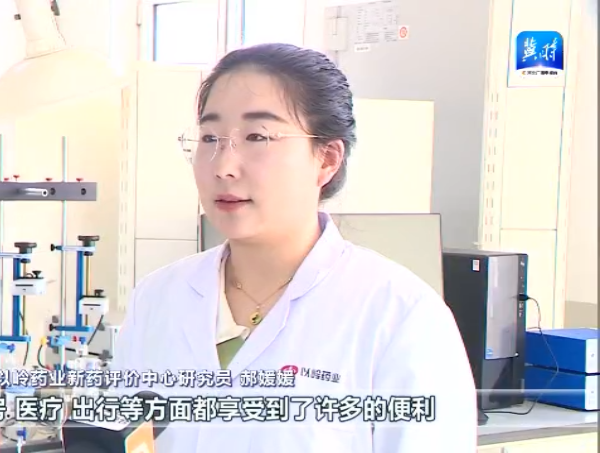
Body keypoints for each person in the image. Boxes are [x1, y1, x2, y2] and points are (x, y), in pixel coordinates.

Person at [112, 43, 476, 453]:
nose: (223, 166)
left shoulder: (399, 316)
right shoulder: (158, 298)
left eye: (257, 137)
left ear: (327, 159)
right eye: (210, 137)